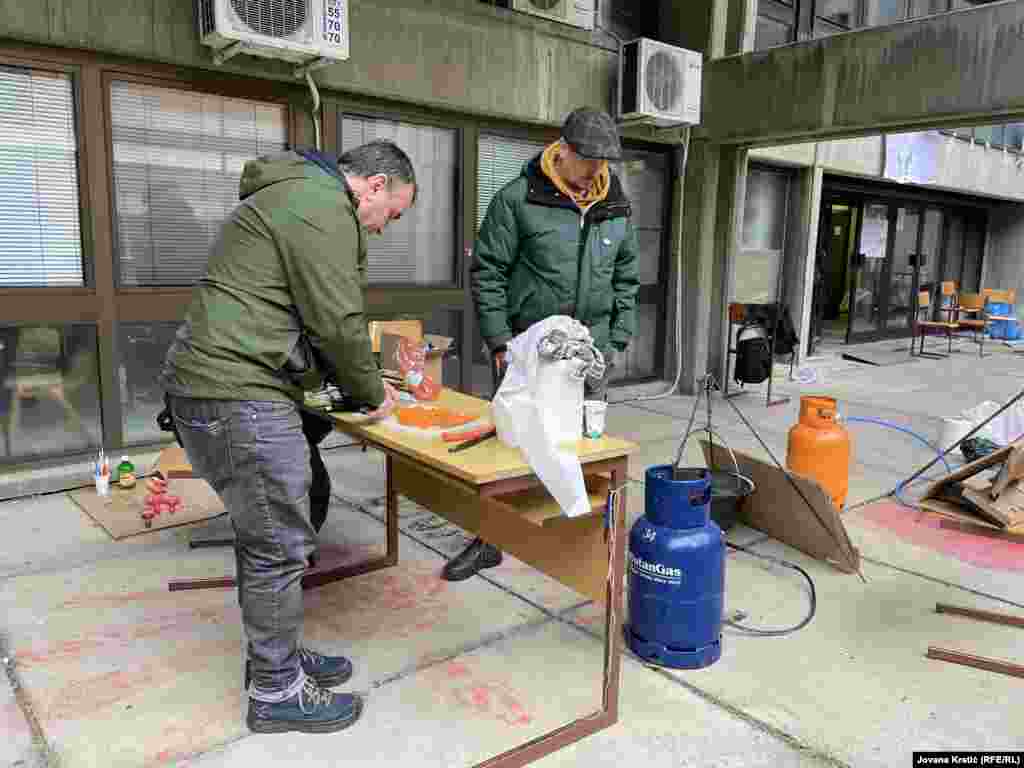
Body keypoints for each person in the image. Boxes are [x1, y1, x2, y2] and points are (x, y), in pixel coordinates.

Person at [159, 139, 416, 735]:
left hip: (216, 387)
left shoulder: (293, 194)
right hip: (237, 392)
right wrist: (376, 396)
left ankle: (276, 658)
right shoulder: (322, 206)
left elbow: (293, 315)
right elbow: (336, 319)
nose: (383, 229)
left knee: (270, 534)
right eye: (393, 213)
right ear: (374, 186)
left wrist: (343, 383)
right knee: (277, 543)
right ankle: (275, 690)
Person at [447, 107, 640, 582]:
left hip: (587, 351)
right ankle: (488, 539)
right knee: (512, 444)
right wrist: (498, 339)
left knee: (584, 444)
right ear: (564, 150)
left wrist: (614, 340)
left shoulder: (615, 205)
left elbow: (626, 278)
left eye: (604, 162)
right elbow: (488, 271)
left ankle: (579, 539)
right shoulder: (517, 199)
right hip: (529, 350)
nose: (597, 171)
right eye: (588, 160)